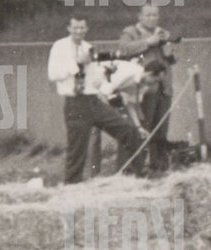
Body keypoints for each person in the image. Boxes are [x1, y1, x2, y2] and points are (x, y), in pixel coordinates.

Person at [47, 17, 146, 186]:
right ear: (68, 28)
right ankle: (72, 185)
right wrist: (76, 63)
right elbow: (53, 74)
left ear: (87, 29)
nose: (79, 31)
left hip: (93, 100)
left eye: (82, 28)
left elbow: (94, 80)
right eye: (75, 27)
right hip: (74, 102)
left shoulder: (88, 48)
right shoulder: (60, 47)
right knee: (77, 149)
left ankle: (141, 176)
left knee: (127, 130)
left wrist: (106, 72)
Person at [116, 3, 175, 174]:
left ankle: (159, 166)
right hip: (142, 89)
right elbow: (124, 49)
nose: (152, 18)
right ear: (140, 17)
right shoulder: (130, 32)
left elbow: (172, 60)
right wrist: (148, 42)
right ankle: (133, 167)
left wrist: (169, 49)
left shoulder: (162, 32)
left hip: (163, 87)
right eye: (148, 15)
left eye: (155, 15)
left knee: (161, 129)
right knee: (141, 128)